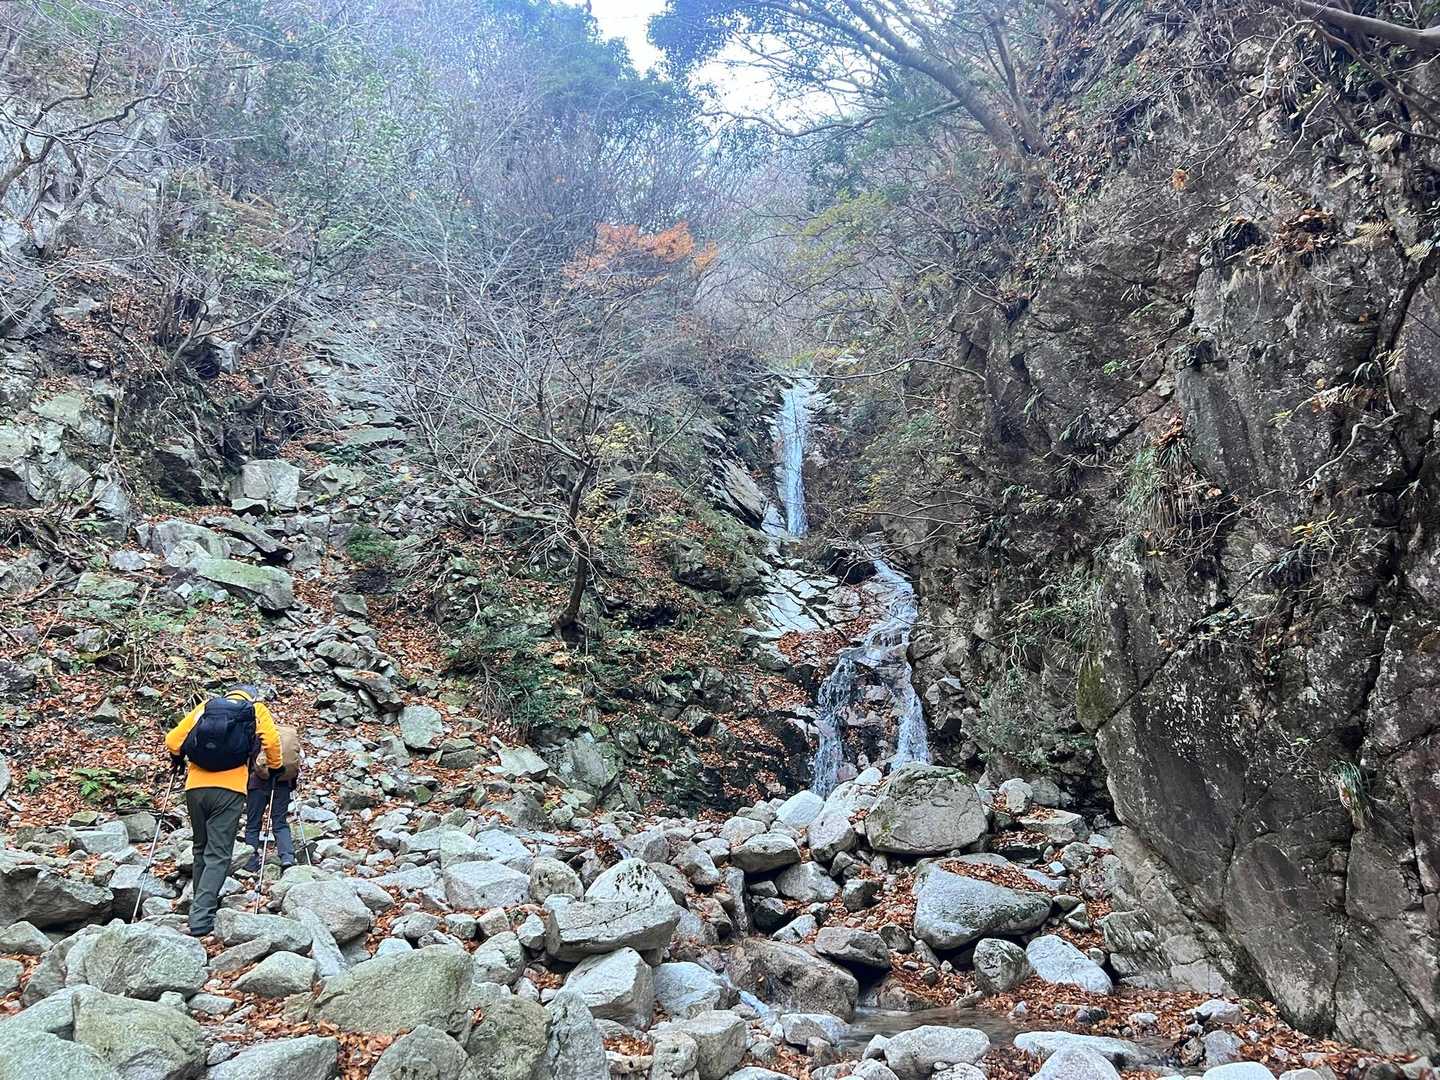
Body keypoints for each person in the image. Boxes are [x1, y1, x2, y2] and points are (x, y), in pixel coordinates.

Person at [164, 684, 281, 937]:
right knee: (218, 854)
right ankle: (201, 918)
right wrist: (275, 767)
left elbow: (173, 740)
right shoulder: (256, 709)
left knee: (200, 848)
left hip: (195, 788)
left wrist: (177, 758)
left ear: (228, 694)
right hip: (229, 790)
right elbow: (271, 742)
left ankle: (197, 907)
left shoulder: (206, 706)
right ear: (251, 696)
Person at [244, 720, 301, 873]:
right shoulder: (289, 737)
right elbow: (295, 764)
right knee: (280, 823)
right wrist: (291, 785)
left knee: (253, 824)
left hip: (257, 784)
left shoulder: (259, 735)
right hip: (282, 784)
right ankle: (287, 857)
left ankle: (250, 861)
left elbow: (249, 760)